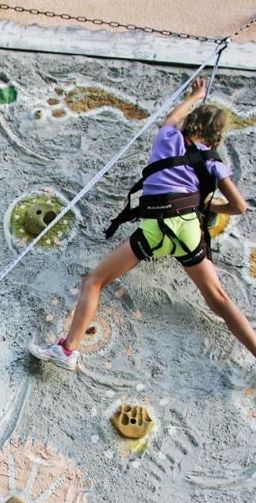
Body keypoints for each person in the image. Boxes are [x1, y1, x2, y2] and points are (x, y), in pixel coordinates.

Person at [30, 78, 255, 371]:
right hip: (187, 229)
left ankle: (68, 350)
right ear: (215, 138)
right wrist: (208, 205)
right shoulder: (213, 162)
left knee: (95, 282)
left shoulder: (167, 137)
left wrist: (194, 95)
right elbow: (239, 207)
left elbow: (172, 117)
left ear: (190, 123)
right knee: (219, 299)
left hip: (154, 228)